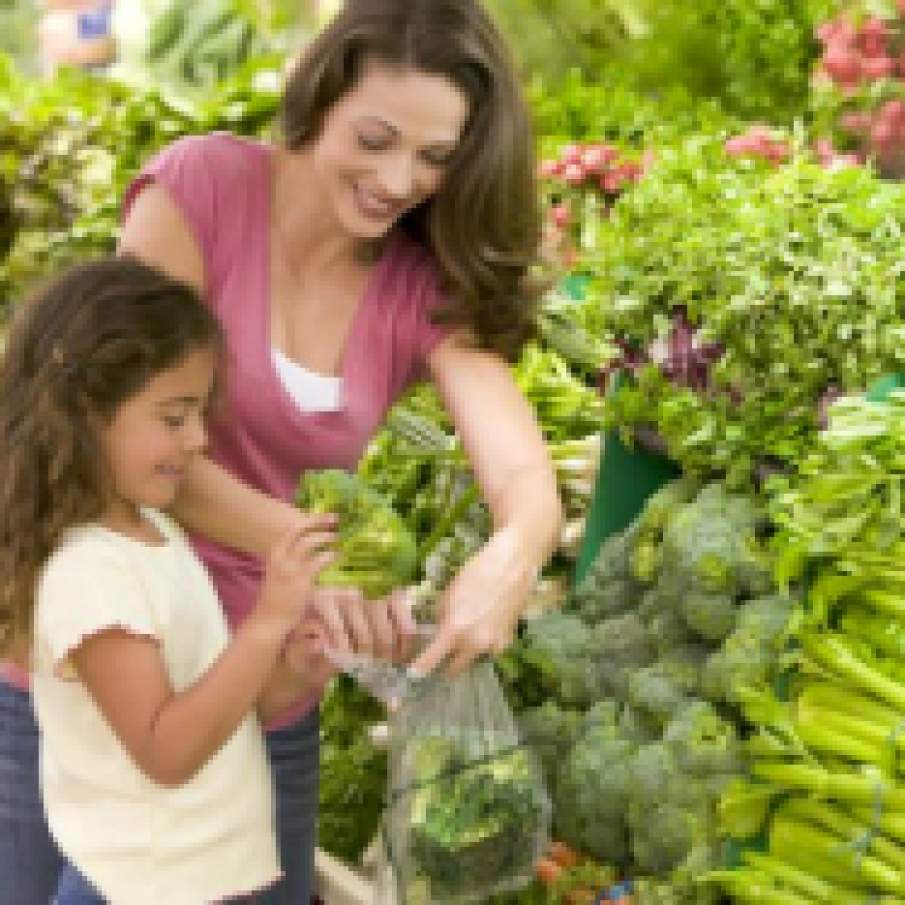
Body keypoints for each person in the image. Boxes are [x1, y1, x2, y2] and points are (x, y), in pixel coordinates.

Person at [0, 1, 563, 901]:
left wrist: (512, 556)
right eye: (375, 138)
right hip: (93, 663)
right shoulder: (202, 190)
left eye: (433, 157)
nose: (396, 179)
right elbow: (124, 437)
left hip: (262, 681)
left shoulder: (421, 284)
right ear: (321, 93)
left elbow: (523, 473)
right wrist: (308, 554)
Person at [0, 255, 362, 904]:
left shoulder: (152, 530)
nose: (197, 440)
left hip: (190, 882)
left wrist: (290, 673)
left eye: (200, 413)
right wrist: (268, 620)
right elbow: (166, 750)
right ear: (84, 412)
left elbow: (209, 709)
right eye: (174, 416)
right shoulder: (90, 574)